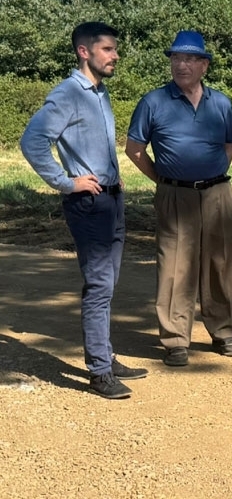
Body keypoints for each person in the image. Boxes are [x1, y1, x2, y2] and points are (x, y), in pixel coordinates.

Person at [19, 22, 148, 399]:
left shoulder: (99, 93)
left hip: (110, 199)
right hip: (87, 204)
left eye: (114, 49)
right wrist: (66, 181)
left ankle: (104, 354)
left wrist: (114, 176)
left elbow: (98, 144)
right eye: (108, 49)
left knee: (107, 285)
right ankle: (99, 372)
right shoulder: (68, 94)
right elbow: (33, 142)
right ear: (84, 51)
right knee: (98, 285)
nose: (115, 55)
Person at [125, 30, 232, 367]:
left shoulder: (221, 103)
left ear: (204, 65)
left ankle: (224, 333)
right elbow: (134, 150)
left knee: (221, 263)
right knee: (175, 267)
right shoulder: (153, 102)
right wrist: (165, 180)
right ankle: (176, 340)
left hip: (217, 193)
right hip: (175, 194)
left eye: (189, 58)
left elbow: (229, 144)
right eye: (176, 58)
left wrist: (213, 175)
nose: (181, 64)